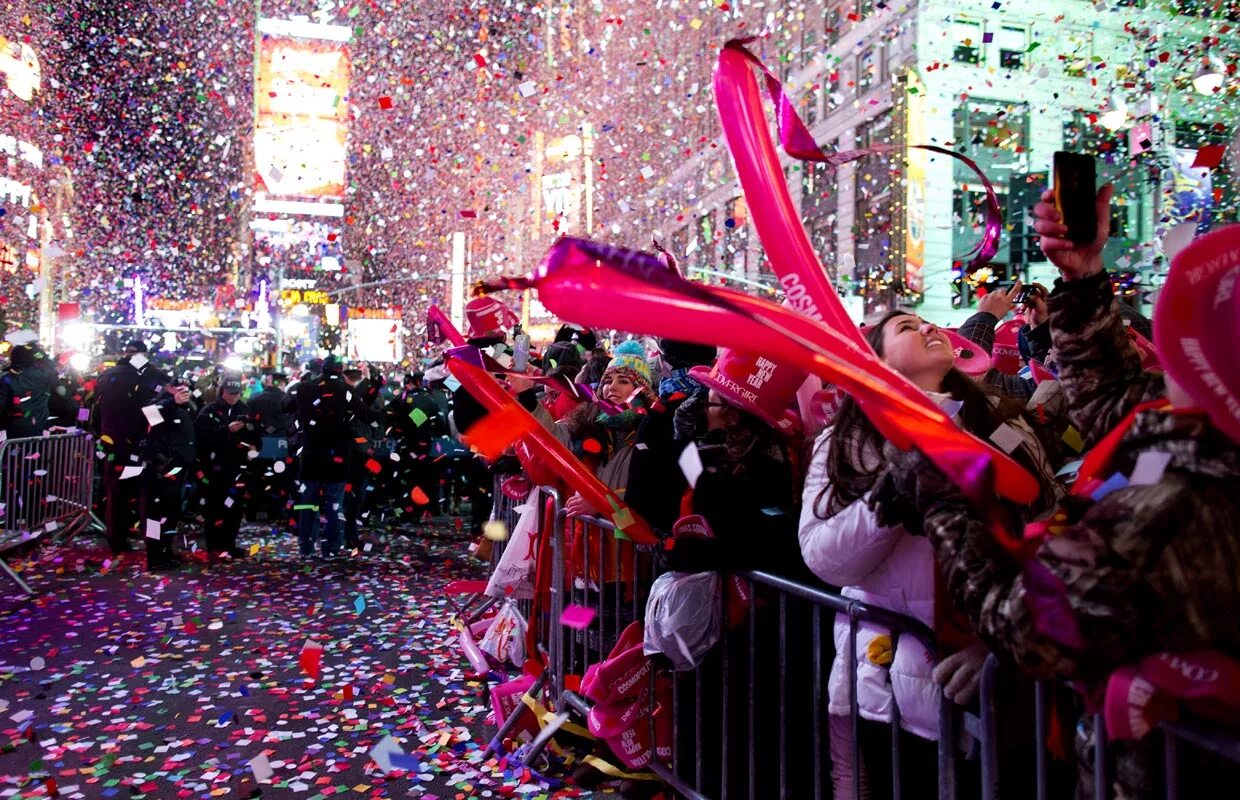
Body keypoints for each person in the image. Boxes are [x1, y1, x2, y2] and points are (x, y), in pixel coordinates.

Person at [876, 190, 1240, 797]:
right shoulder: (1196, 435)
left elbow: (1025, 624)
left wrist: (939, 493)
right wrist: (1083, 278)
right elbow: (1111, 398)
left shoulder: (1173, 504)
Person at [799, 310, 1061, 800]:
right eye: (905, 327)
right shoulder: (846, 442)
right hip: (894, 689)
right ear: (874, 361)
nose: (928, 328)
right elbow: (822, 557)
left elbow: (1049, 525)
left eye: (927, 322)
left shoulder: (1002, 422)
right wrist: (889, 498)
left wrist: (1004, 639)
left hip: (1004, 674)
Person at [94, 340, 169, 554]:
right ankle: (153, 547)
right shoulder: (151, 376)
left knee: (116, 496)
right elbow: (154, 412)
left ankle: (116, 541)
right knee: (151, 499)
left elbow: (92, 410)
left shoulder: (106, 377)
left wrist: (100, 433)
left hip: (113, 447)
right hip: (144, 447)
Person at [293, 355, 360, 559]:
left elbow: (285, 406)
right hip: (336, 459)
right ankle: (331, 547)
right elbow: (364, 413)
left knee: (308, 503)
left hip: (312, 456)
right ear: (341, 370)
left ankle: (306, 547)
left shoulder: (305, 387)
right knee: (334, 505)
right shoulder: (346, 391)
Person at [194, 372, 258, 559]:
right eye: (230, 393)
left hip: (238, 468)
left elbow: (255, 435)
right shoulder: (209, 411)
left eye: (237, 393)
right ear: (222, 391)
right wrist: (226, 430)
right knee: (214, 507)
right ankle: (213, 544)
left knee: (235, 508)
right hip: (214, 468)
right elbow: (202, 436)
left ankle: (229, 544)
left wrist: (254, 447)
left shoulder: (245, 410)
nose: (233, 397)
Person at [140, 380, 196, 571]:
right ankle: (154, 556)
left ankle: (165, 550)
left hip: (177, 469)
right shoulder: (157, 404)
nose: (181, 390)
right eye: (176, 386)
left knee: (171, 514)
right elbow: (151, 416)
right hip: (159, 469)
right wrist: (173, 401)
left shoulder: (185, 406)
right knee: (155, 514)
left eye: (184, 387)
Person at [343, 364, 385, 550]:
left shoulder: (354, 397)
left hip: (353, 453)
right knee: (355, 496)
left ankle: (347, 533)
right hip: (362, 451)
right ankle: (349, 533)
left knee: (350, 496)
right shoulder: (361, 396)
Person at [0, 343, 58, 439]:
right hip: (39, 429)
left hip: (14, 431)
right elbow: (69, 403)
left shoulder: (6, 378)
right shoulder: (46, 376)